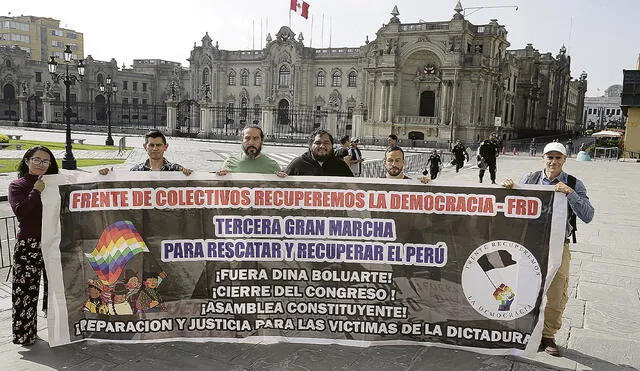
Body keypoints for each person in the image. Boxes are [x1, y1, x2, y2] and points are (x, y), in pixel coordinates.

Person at [501, 142, 594, 357]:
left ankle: (548, 335)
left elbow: (588, 216)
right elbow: (511, 204)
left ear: (564, 160)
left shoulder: (573, 183)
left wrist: (570, 193)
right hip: (530, 243)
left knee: (556, 293)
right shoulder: (530, 179)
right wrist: (507, 187)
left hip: (558, 245)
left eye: (558, 158)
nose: (553, 162)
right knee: (524, 288)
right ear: (543, 158)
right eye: (549, 157)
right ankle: (522, 330)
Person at [8, 145, 59, 345]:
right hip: (29, 244)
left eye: (45, 161)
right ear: (28, 160)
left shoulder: (55, 184)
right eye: (37, 159)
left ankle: (59, 331)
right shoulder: (17, 185)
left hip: (54, 242)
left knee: (56, 288)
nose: (41, 164)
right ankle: (24, 333)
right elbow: (22, 211)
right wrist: (36, 191)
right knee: (25, 290)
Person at [99, 129, 192, 175]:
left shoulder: (177, 170)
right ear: (145, 147)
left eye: (158, 145)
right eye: (151, 145)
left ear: (165, 147)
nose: (155, 148)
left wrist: (189, 175)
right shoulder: (136, 171)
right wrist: (108, 177)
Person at [217, 125, 287, 177]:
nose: (251, 142)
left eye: (255, 138)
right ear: (242, 140)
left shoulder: (272, 166)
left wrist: (283, 181)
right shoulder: (230, 163)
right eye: (247, 138)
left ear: (261, 141)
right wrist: (220, 178)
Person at [285, 129, 354, 176]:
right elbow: (282, 186)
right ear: (311, 145)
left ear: (332, 145)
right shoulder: (298, 164)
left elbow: (353, 189)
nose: (322, 146)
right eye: (318, 143)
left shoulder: (341, 166)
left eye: (326, 143)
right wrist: (279, 177)